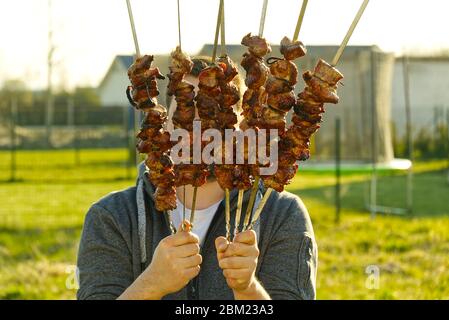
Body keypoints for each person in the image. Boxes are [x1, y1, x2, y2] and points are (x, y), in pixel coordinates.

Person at [76, 57, 318, 300]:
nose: (200, 129)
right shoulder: (113, 216)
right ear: (164, 125)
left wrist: (248, 289)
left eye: (215, 114)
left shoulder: (281, 214)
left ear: (243, 129)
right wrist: (151, 284)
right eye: (186, 111)